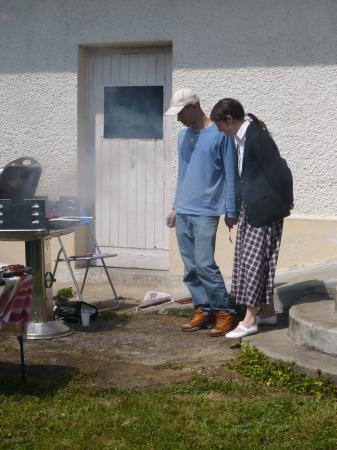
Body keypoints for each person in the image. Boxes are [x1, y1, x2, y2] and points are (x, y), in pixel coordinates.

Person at [210, 98, 293, 338]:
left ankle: (250, 319)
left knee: (254, 263)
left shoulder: (257, 137)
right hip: (252, 208)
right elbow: (243, 177)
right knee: (251, 262)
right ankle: (267, 312)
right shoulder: (240, 139)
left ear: (229, 119)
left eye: (220, 126)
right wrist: (235, 207)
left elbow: (279, 170)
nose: (220, 131)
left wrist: (287, 199)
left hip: (265, 211)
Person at [165, 88, 238, 336]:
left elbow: (230, 174)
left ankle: (224, 312)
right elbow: (182, 173)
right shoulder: (183, 136)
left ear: (194, 107)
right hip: (184, 208)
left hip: (207, 210)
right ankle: (203, 310)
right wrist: (176, 205)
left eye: (180, 112)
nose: (178, 119)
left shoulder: (221, 135)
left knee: (205, 263)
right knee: (190, 266)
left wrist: (231, 209)